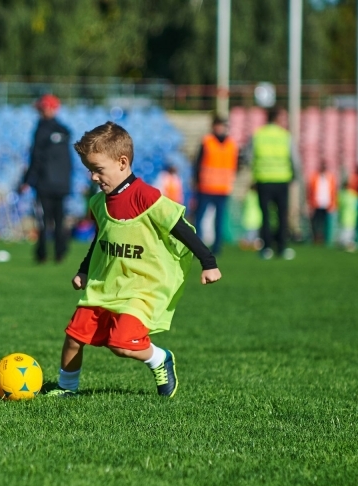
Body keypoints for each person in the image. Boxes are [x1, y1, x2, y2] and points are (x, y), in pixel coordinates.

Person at [46, 122, 221, 399]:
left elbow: (182, 228)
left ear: (122, 162)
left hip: (142, 287)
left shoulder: (147, 197)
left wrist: (208, 262)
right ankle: (67, 389)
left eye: (97, 169)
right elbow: (100, 240)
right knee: (74, 337)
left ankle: (159, 358)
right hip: (105, 284)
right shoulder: (99, 203)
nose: (93, 177)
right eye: (89, 170)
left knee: (122, 344)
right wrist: (82, 270)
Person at [20, 94, 72, 263]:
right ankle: (60, 251)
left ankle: (42, 253)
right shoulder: (65, 131)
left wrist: (26, 181)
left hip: (45, 184)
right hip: (62, 184)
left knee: (43, 220)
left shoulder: (41, 130)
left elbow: (36, 158)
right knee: (59, 219)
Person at [251, 107, 299, 260]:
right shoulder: (285, 136)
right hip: (282, 180)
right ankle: (282, 247)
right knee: (281, 215)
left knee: (265, 215)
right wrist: (295, 176)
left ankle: (266, 248)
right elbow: (295, 159)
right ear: (277, 118)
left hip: (263, 180)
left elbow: (248, 155)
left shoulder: (258, 135)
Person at [193, 116, 239, 255]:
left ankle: (217, 247)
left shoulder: (232, 144)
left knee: (219, 221)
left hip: (223, 188)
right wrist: (196, 181)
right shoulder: (207, 142)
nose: (220, 129)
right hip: (206, 187)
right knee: (199, 218)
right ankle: (197, 246)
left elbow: (235, 164)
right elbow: (198, 163)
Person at [306, 161, 337, 245]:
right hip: (317, 203)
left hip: (327, 203)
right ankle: (316, 238)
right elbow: (311, 190)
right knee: (316, 222)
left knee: (325, 222)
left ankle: (324, 238)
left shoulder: (330, 177)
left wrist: (332, 202)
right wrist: (311, 202)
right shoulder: (315, 176)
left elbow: (333, 191)